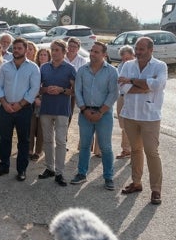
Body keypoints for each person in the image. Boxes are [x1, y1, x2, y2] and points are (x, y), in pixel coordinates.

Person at [117, 36, 168, 205]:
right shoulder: (128, 65)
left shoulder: (160, 66)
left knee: (152, 152)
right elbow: (122, 88)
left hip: (150, 117)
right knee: (135, 150)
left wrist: (132, 81)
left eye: (141, 49)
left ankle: (156, 190)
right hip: (130, 114)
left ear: (150, 50)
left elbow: (158, 85)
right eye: (137, 49)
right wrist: (146, 87)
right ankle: (136, 182)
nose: (138, 52)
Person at [71, 42, 119, 190]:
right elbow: (77, 91)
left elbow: (113, 93)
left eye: (96, 52)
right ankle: (81, 173)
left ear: (104, 54)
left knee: (105, 147)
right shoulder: (82, 70)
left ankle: (108, 177)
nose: (92, 54)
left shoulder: (111, 71)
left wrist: (100, 112)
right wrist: (84, 110)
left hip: (103, 114)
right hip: (85, 112)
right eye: (92, 51)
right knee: (84, 145)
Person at [0, 38, 41, 181]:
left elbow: (34, 89)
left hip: (24, 109)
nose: (16, 50)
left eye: (19, 48)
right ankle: (4, 166)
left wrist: (20, 104)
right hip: (5, 108)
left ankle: (21, 170)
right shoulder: (5, 67)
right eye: (15, 48)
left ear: (26, 50)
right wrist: (4, 102)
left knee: (23, 141)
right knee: (5, 139)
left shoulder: (33, 68)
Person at [37, 39, 76, 187]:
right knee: (47, 140)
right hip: (46, 108)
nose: (53, 53)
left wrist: (62, 90)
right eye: (52, 50)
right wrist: (45, 90)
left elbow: (75, 91)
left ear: (64, 52)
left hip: (62, 110)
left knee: (60, 141)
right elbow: (38, 87)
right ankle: (49, 168)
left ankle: (60, 172)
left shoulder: (70, 69)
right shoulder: (44, 68)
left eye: (57, 50)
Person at [30, 47, 51, 160]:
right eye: (41, 55)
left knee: (41, 128)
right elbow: (30, 86)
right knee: (31, 127)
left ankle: (38, 151)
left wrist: (42, 99)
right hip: (33, 101)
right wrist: (35, 98)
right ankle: (29, 149)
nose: (42, 57)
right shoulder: (34, 68)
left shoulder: (50, 69)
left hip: (46, 102)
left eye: (45, 55)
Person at [115, 45, 135, 159]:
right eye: (123, 58)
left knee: (134, 125)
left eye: (128, 58)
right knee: (123, 125)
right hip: (122, 97)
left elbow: (132, 84)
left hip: (133, 98)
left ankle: (135, 152)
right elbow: (119, 83)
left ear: (133, 56)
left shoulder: (137, 67)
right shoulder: (120, 67)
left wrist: (128, 82)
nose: (126, 60)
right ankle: (126, 149)